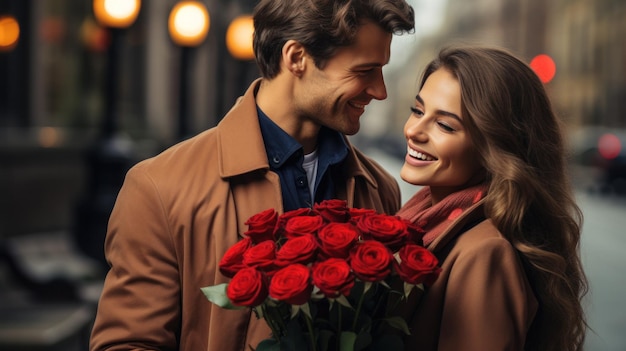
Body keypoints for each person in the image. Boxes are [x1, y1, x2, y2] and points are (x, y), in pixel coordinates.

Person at [89, 0, 415, 350]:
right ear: (296, 58)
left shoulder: (379, 188)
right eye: (364, 70)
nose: (380, 91)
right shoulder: (158, 187)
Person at [395, 45, 588, 350]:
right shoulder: (421, 217)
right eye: (418, 110)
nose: (414, 130)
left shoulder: (485, 254)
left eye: (445, 125)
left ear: (495, 148)